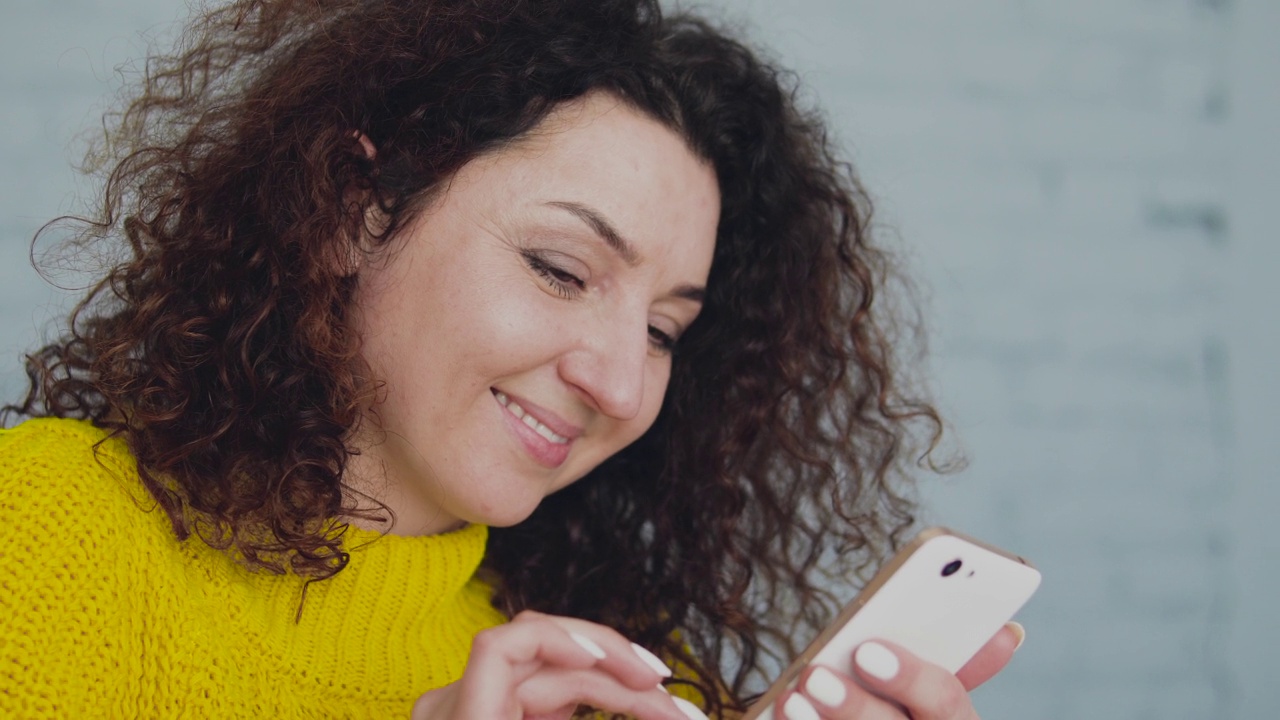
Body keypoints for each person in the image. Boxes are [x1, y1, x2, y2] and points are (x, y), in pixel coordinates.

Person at [0, 0, 1024, 718]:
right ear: (355, 214)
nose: (619, 385)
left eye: (664, 330)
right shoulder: (45, 538)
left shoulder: (615, 686)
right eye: (559, 269)